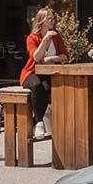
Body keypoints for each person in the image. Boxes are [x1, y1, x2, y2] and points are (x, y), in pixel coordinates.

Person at [20, 7, 67, 139]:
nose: (52, 21)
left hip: (49, 74)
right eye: (49, 18)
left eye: (53, 18)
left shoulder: (56, 37)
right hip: (31, 73)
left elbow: (65, 56)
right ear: (41, 21)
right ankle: (39, 122)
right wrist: (45, 39)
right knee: (37, 85)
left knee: (48, 87)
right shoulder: (32, 38)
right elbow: (36, 57)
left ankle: (52, 123)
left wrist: (51, 58)